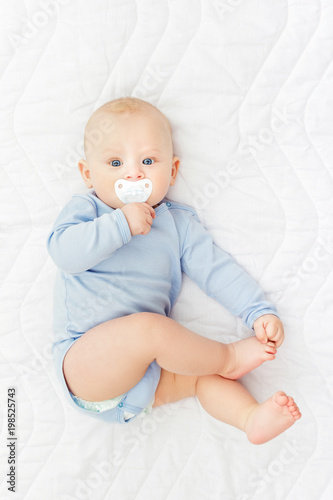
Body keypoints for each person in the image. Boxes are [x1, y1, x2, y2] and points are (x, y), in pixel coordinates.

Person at [47, 97, 301, 444]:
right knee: (152, 331)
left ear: (172, 171)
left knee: (199, 376)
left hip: (145, 382)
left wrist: (258, 310)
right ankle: (227, 358)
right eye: (116, 162)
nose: (133, 173)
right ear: (88, 174)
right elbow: (65, 254)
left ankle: (249, 418)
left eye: (148, 161)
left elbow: (216, 270)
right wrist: (120, 224)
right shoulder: (88, 210)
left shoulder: (177, 224)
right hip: (85, 366)